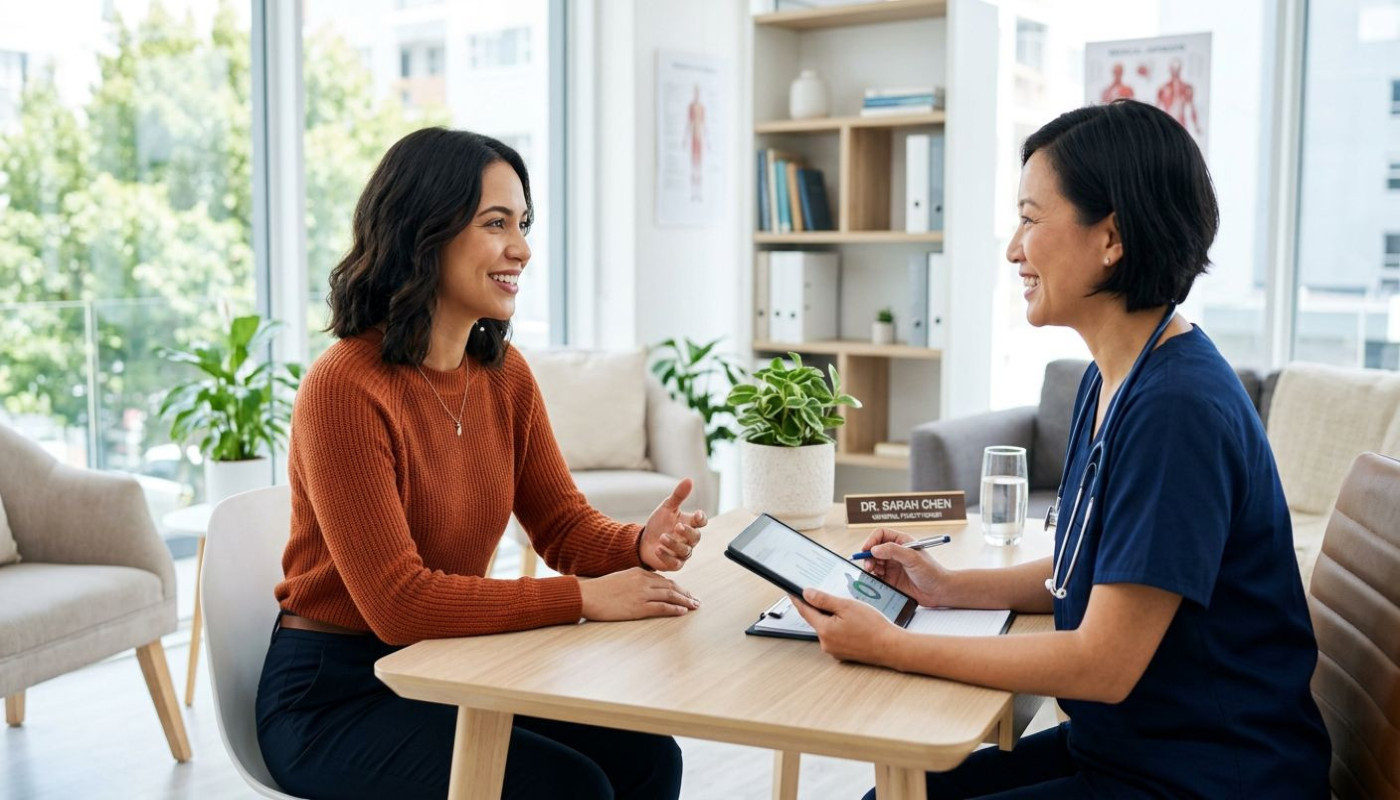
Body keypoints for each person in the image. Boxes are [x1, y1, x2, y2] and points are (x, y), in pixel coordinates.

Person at [793, 100, 1331, 798]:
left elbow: (1103, 663)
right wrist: (948, 588)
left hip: (1211, 776)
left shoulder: (1176, 410)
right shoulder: (1113, 378)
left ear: (1111, 237)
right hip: (1134, 747)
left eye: (1030, 218)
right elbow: (1094, 569)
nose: (1014, 250)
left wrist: (894, 646)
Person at [256, 127, 707, 800]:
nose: (521, 248)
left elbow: (561, 524)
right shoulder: (344, 387)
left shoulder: (503, 374)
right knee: (566, 789)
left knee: (647, 758)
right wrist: (583, 597)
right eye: (496, 224)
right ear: (422, 232)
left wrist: (639, 543)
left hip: (449, 665)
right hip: (333, 696)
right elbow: (399, 604)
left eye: (522, 224)